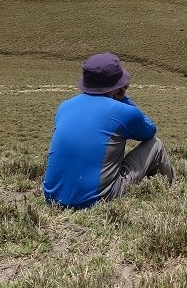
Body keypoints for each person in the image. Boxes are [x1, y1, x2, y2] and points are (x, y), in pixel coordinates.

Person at [43, 52, 174, 209]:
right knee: (156, 145)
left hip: (52, 199)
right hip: (97, 200)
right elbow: (149, 131)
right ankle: (170, 196)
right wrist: (124, 98)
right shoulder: (123, 111)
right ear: (118, 87)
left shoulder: (65, 106)